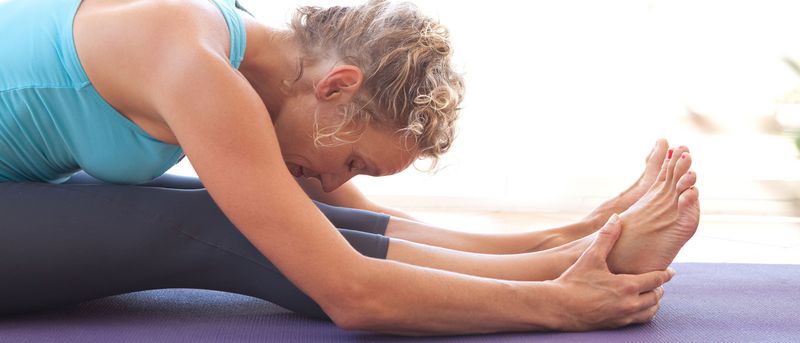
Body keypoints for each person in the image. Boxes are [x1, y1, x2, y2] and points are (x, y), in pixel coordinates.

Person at [0, 0, 700, 335]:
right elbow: (353, 293)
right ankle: (577, 264)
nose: (336, 178)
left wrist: (567, 237)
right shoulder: (197, 70)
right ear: (335, 86)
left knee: (280, 218)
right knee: (212, 223)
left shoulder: (233, 39)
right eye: (352, 159)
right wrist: (558, 305)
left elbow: (349, 220)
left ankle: (581, 250)